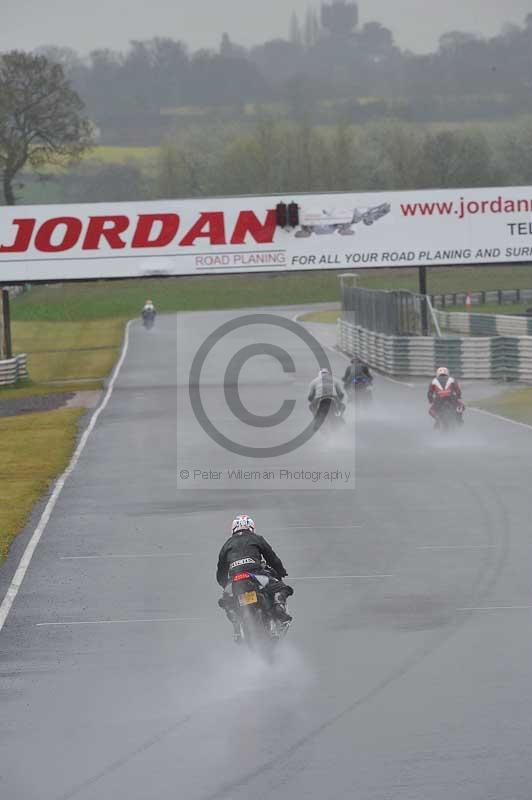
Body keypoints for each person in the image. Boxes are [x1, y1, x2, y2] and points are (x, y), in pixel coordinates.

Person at [217, 515, 293, 642]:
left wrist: (225, 585)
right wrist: (281, 571)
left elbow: (220, 572)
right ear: (251, 527)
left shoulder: (227, 545)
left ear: (233, 529)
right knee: (281, 588)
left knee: (226, 600)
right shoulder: (256, 538)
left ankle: (236, 626)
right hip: (255, 575)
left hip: (235, 579)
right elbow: (272, 558)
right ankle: (279, 609)